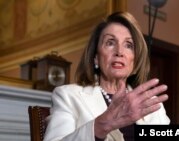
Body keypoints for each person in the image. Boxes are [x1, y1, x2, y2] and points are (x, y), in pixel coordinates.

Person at [43, 11, 170, 141]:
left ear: (135, 62)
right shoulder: (68, 96)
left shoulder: (152, 103)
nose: (119, 52)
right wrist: (101, 126)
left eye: (128, 45)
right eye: (110, 42)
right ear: (96, 58)